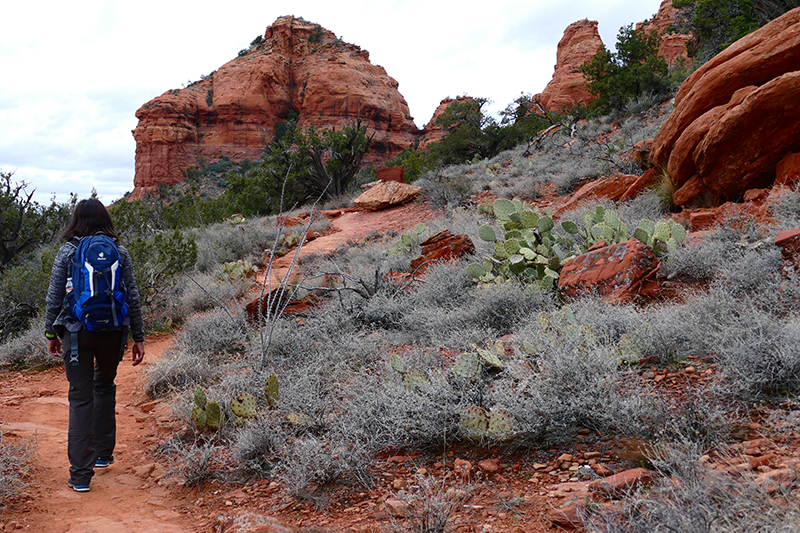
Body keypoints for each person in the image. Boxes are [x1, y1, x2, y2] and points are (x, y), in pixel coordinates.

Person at [44, 198, 145, 493]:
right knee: (104, 386)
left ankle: (80, 476)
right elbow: (133, 297)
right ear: (105, 220)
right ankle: (103, 454)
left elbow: (53, 298)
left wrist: (51, 334)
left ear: (77, 219)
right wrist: (138, 337)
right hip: (112, 331)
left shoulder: (67, 251)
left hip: (77, 334)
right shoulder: (120, 251)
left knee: (80, 397)